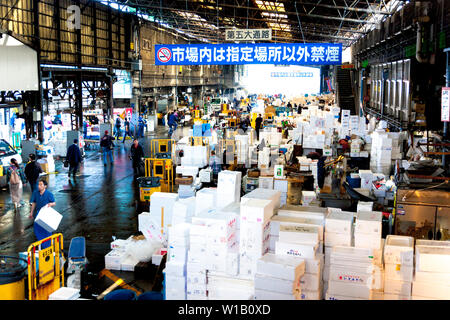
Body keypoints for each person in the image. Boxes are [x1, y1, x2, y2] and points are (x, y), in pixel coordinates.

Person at [29, 179, 56, 248]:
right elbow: (34, 203)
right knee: (37, 229)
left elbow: (54, 203)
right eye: (38, 184)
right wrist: (31, 212)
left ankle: (48, 245)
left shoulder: (49, 194)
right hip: (38, 213)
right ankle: (42, 244)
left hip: (46, 214)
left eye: (41, 184)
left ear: (45, 186)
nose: (39, 186)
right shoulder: (35, 193)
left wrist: (50, 204)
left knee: (47, 230)